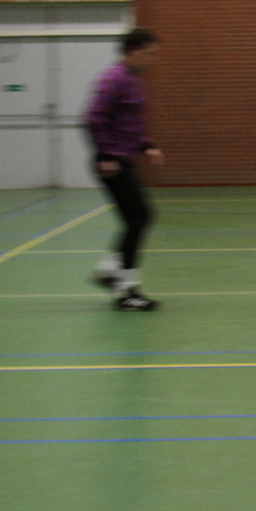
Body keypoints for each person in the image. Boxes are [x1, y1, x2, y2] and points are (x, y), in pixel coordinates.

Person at [85, 28, 165, 311]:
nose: (153, 60)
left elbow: (129, 124)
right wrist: (106, 154)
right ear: (133, 51)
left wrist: (147, 146)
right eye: (150, 54)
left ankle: (111, 273)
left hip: (122, 158)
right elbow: (94, 117)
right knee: (139, 217)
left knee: (136, 219)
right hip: (112, 162)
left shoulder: (132, 80)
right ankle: (125, 290)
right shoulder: (115, 78)